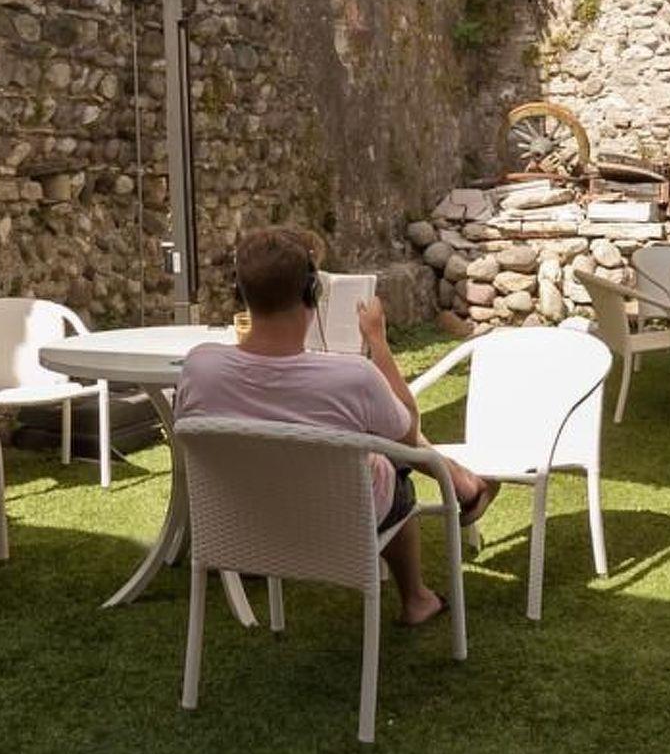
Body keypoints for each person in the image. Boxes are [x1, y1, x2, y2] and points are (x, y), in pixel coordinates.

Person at [176, 227, 496, 626]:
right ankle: (416, 597)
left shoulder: (199, 366)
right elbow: (407, 430)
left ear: (240, 294)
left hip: (242, 523)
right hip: (340, 522)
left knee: (379, 457)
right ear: (313, 292)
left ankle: (464, 490)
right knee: (394, 468)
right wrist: (377, 340)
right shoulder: (352, 377)